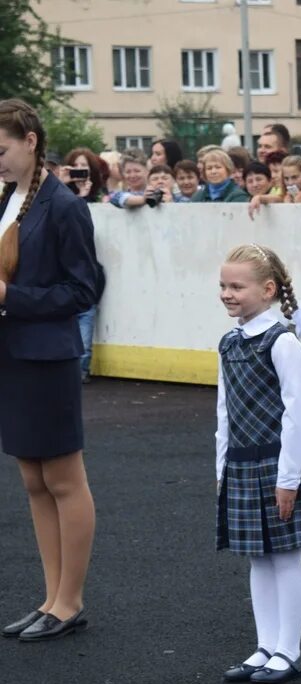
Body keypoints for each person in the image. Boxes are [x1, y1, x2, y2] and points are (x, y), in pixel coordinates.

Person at [0, 99, 100, 642]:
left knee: (63, 478)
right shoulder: (7, 199)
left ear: (30, 141)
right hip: (13, 355)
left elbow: (83, 291)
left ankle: (70, 601)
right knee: (33, 479)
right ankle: (50, 597)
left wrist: (10, 297)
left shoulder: (63, 205)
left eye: (1, 150)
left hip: (48, 357)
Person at [216, 244, 301, 684]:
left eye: (236, 286)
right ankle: (265, 645)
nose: (227, 293)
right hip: (241, 465)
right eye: (223, 285)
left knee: (284, 557)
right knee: (257, 559)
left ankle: (289, 649)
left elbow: (296, 415)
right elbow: (224, 409)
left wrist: (288, 478)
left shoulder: (281, 342)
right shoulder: (229, 341)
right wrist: (221, 467)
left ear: (268, 289)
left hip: (276, 466)